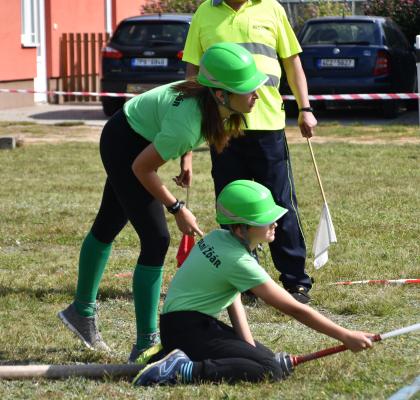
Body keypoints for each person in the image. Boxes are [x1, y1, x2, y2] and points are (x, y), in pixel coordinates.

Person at [58, 42, 269, 363]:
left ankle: (80, 311)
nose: (257, 94)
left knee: (108, 224)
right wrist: (176, 208)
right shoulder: (186, 125)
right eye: (248, 88)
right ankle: (145, 344)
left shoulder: (207, 102)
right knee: (156, 239)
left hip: (135, 136)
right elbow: (142, 168)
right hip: (124, 144)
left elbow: (186, 122)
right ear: (221, 94)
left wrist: (186, 159)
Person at [133, 180, 373, 386]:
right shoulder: (238, 261)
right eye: (265, 219)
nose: (275, 223)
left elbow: (232, 297)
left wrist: (248, 346)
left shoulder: (218, 238)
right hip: (189, 329)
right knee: (270, 369)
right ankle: (180, 370)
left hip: (182, 325)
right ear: (240, 229)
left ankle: (165, 355)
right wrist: (345, 335)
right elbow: (295, 308)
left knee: (263, 358)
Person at [183, 0, 318, 303]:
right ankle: (244, 281)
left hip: (268, 124)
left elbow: (292, 62)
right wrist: (195, 118)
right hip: (222, 127)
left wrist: (305, 108)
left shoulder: (272, 9)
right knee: (233, 206)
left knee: (280, 203)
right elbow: (193, 71)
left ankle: (295, 282)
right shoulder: (204, 12)